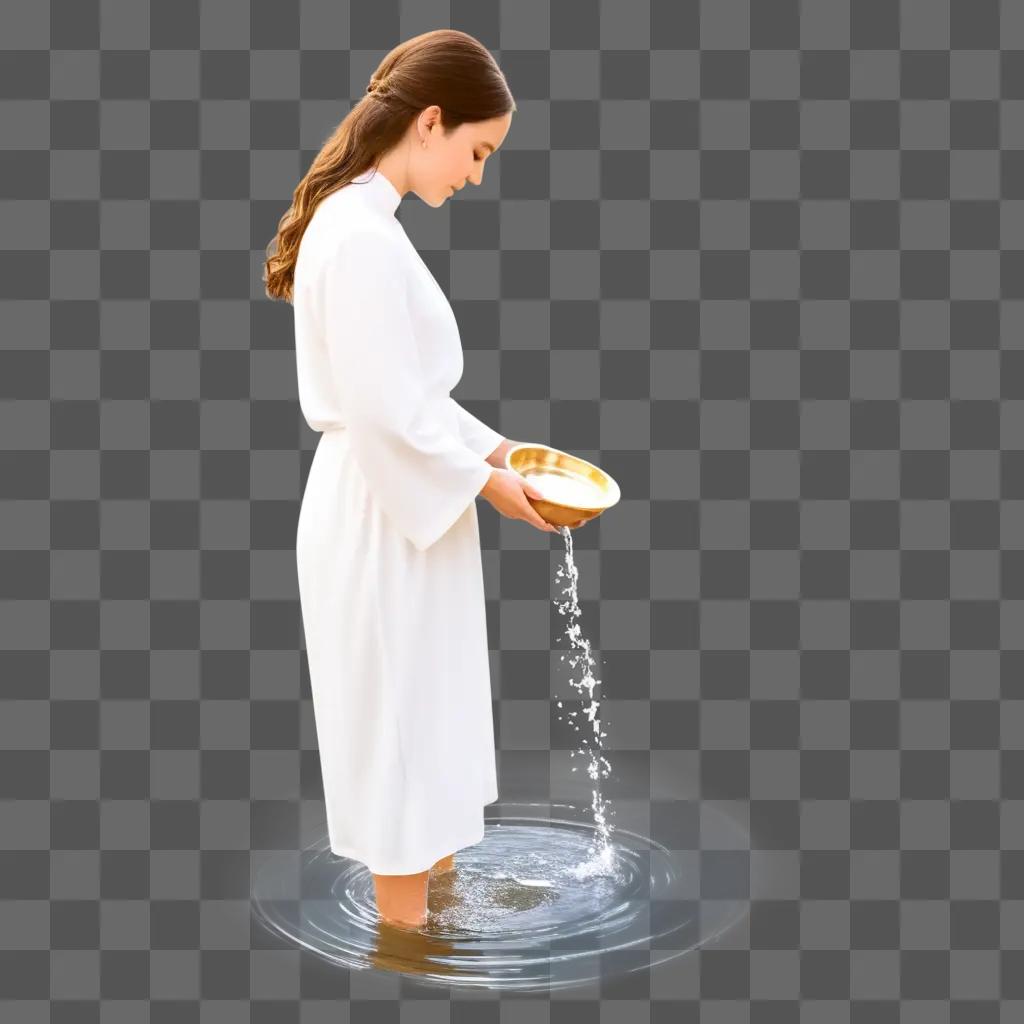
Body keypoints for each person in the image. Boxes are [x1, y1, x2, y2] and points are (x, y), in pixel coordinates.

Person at [263, 29, 585, 930]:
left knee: (428, 725)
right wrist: (489, 484)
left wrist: (498, 454)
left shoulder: (369, 226)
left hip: (403, 499)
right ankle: (408, 957)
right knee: (400, 747)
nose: (478, 175)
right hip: (379, 515)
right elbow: (381, 411)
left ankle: (438, 925)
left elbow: (410, 397)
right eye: (477, 151)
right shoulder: (359, 236)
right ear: (431, 121)